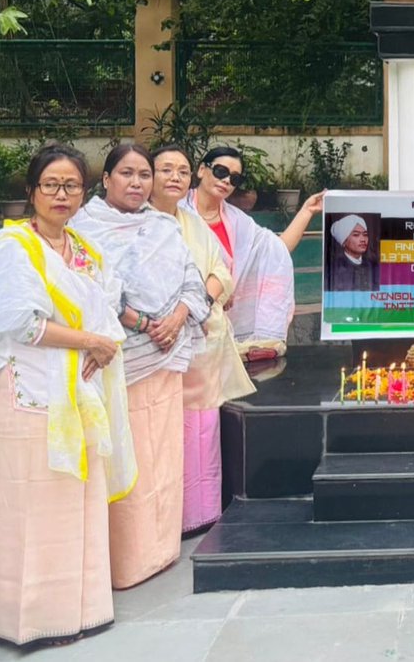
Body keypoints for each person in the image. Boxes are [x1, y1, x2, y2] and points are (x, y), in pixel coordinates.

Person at [0, 144, 136, 647]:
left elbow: (106, 310)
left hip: (78, 391)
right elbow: (26, 324)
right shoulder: (11, 248)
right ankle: (30, 622)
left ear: (84, 192)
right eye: (51, 185)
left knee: (77, 499)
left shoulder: (83, 249)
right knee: (29, 504)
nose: (61, 195)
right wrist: (92, 342)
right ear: (30, 191)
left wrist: (103, 346)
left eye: (72, 185)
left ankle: (83, 610)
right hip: (27, 393)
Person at [69, 143, 209, 588]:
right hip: (118, 361)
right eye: (126, 174)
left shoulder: (164, 226)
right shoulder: (82, 229)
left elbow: (193, 278)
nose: (137, 183)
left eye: (143, 175)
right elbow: (91, 290)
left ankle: (161, 550)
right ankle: (123, 562)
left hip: (165, 360)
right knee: (123, 458)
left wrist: (176, 318)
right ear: (106, 179)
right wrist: (146, 322)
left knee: (162, 456)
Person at [149, 145, 255, 534]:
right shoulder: (136, 224)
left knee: (203, 430)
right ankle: (165, 520)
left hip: (202, 344)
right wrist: (170, 319)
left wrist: (189, 309)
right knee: (163, 432)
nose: (174, 178)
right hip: (156, 345)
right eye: (165, 170)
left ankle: (203, 513)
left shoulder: (190, 223)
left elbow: (221, 271)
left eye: (180, 170)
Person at [188, 145, 318, 360]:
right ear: (202, 170)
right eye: (221, 171)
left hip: (220, 325)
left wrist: (307, 211)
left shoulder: (237, 221)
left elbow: (277, 250)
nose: (227, 181)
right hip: (183, 319)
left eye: (235, 178)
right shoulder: (176, 211)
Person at [326, 214, 381, 291]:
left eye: (365, 235)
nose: (363, 239)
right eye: (356, 235)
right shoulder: (334, 268)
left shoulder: (373, 265)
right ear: (344, 241)